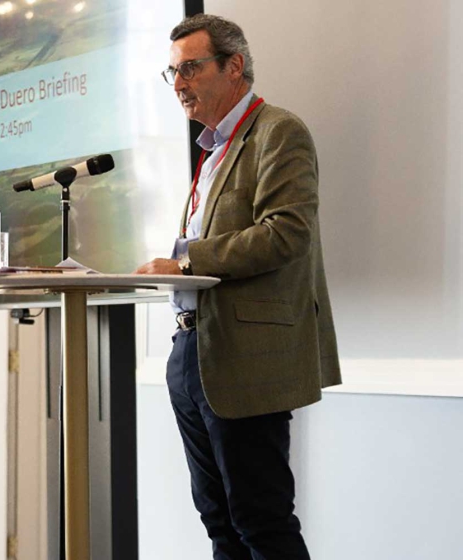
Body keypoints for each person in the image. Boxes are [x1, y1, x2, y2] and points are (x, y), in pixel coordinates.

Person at [135, 14, 342, 560]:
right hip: (190, 350)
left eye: (190, 68)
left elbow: (286, 234)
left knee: (261, 520)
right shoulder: (210, 151)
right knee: (219, 523)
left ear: (234, 66)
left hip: (246, 355)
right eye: (171, 72)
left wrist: (183, 263)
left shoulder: (279, 131)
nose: (178, 83)